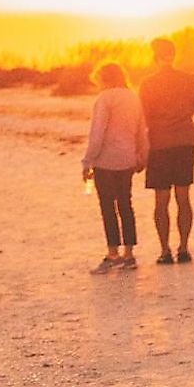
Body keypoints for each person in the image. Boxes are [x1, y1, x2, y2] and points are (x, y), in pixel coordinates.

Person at [138, 38, 194, 264]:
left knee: (161, 201)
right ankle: (184, 247)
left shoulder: (148, 84)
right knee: (183, 197)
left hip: (159, 145)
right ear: (173, 55)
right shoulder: (191, 80)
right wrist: (191, 138)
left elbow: (143, 119)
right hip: (184, 144)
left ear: (154, 57)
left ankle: (164, 250)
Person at [81, 64, 150, 274]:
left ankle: (113, 254)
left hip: (106, 161)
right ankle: (129, 255)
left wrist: (87, 161)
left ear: (104, 78)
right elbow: (141, 130)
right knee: (125, 205)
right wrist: (141, 157)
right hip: (127, 159)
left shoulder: (104, 99)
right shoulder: (133, 97)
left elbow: (98, 134)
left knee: (108, 207)